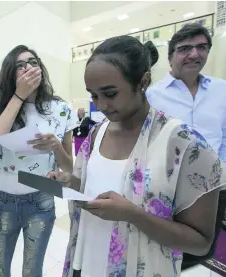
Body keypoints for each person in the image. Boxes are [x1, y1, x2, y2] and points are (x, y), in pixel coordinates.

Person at [49, 36, 225, 277]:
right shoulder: (96, 134)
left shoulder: (184, 145)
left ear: (143, 82)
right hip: (85, 261)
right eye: (93, 95)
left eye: (110, 93)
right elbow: (90, 190)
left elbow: (201, 242)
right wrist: (70, 182)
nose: (101, 105)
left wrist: (133, 215)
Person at [0, 45, 78, 277]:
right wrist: (19, 96)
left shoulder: (61, 109)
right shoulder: (5, 108)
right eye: (20, 65)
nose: (28, 68)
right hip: (3, 200)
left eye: (33, 62)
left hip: (41, 199)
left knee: (32, 271)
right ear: (11, 74)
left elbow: (70, 167)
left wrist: (56, 146)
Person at [146, 23, 226, 269]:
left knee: (201, 250)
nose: (194, 54)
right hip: (169, 189)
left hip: (212, 188)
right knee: (161, 248)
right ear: (171, 57)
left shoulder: (221, 90)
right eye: (184, 49)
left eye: (201, 47)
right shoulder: (152, 95)